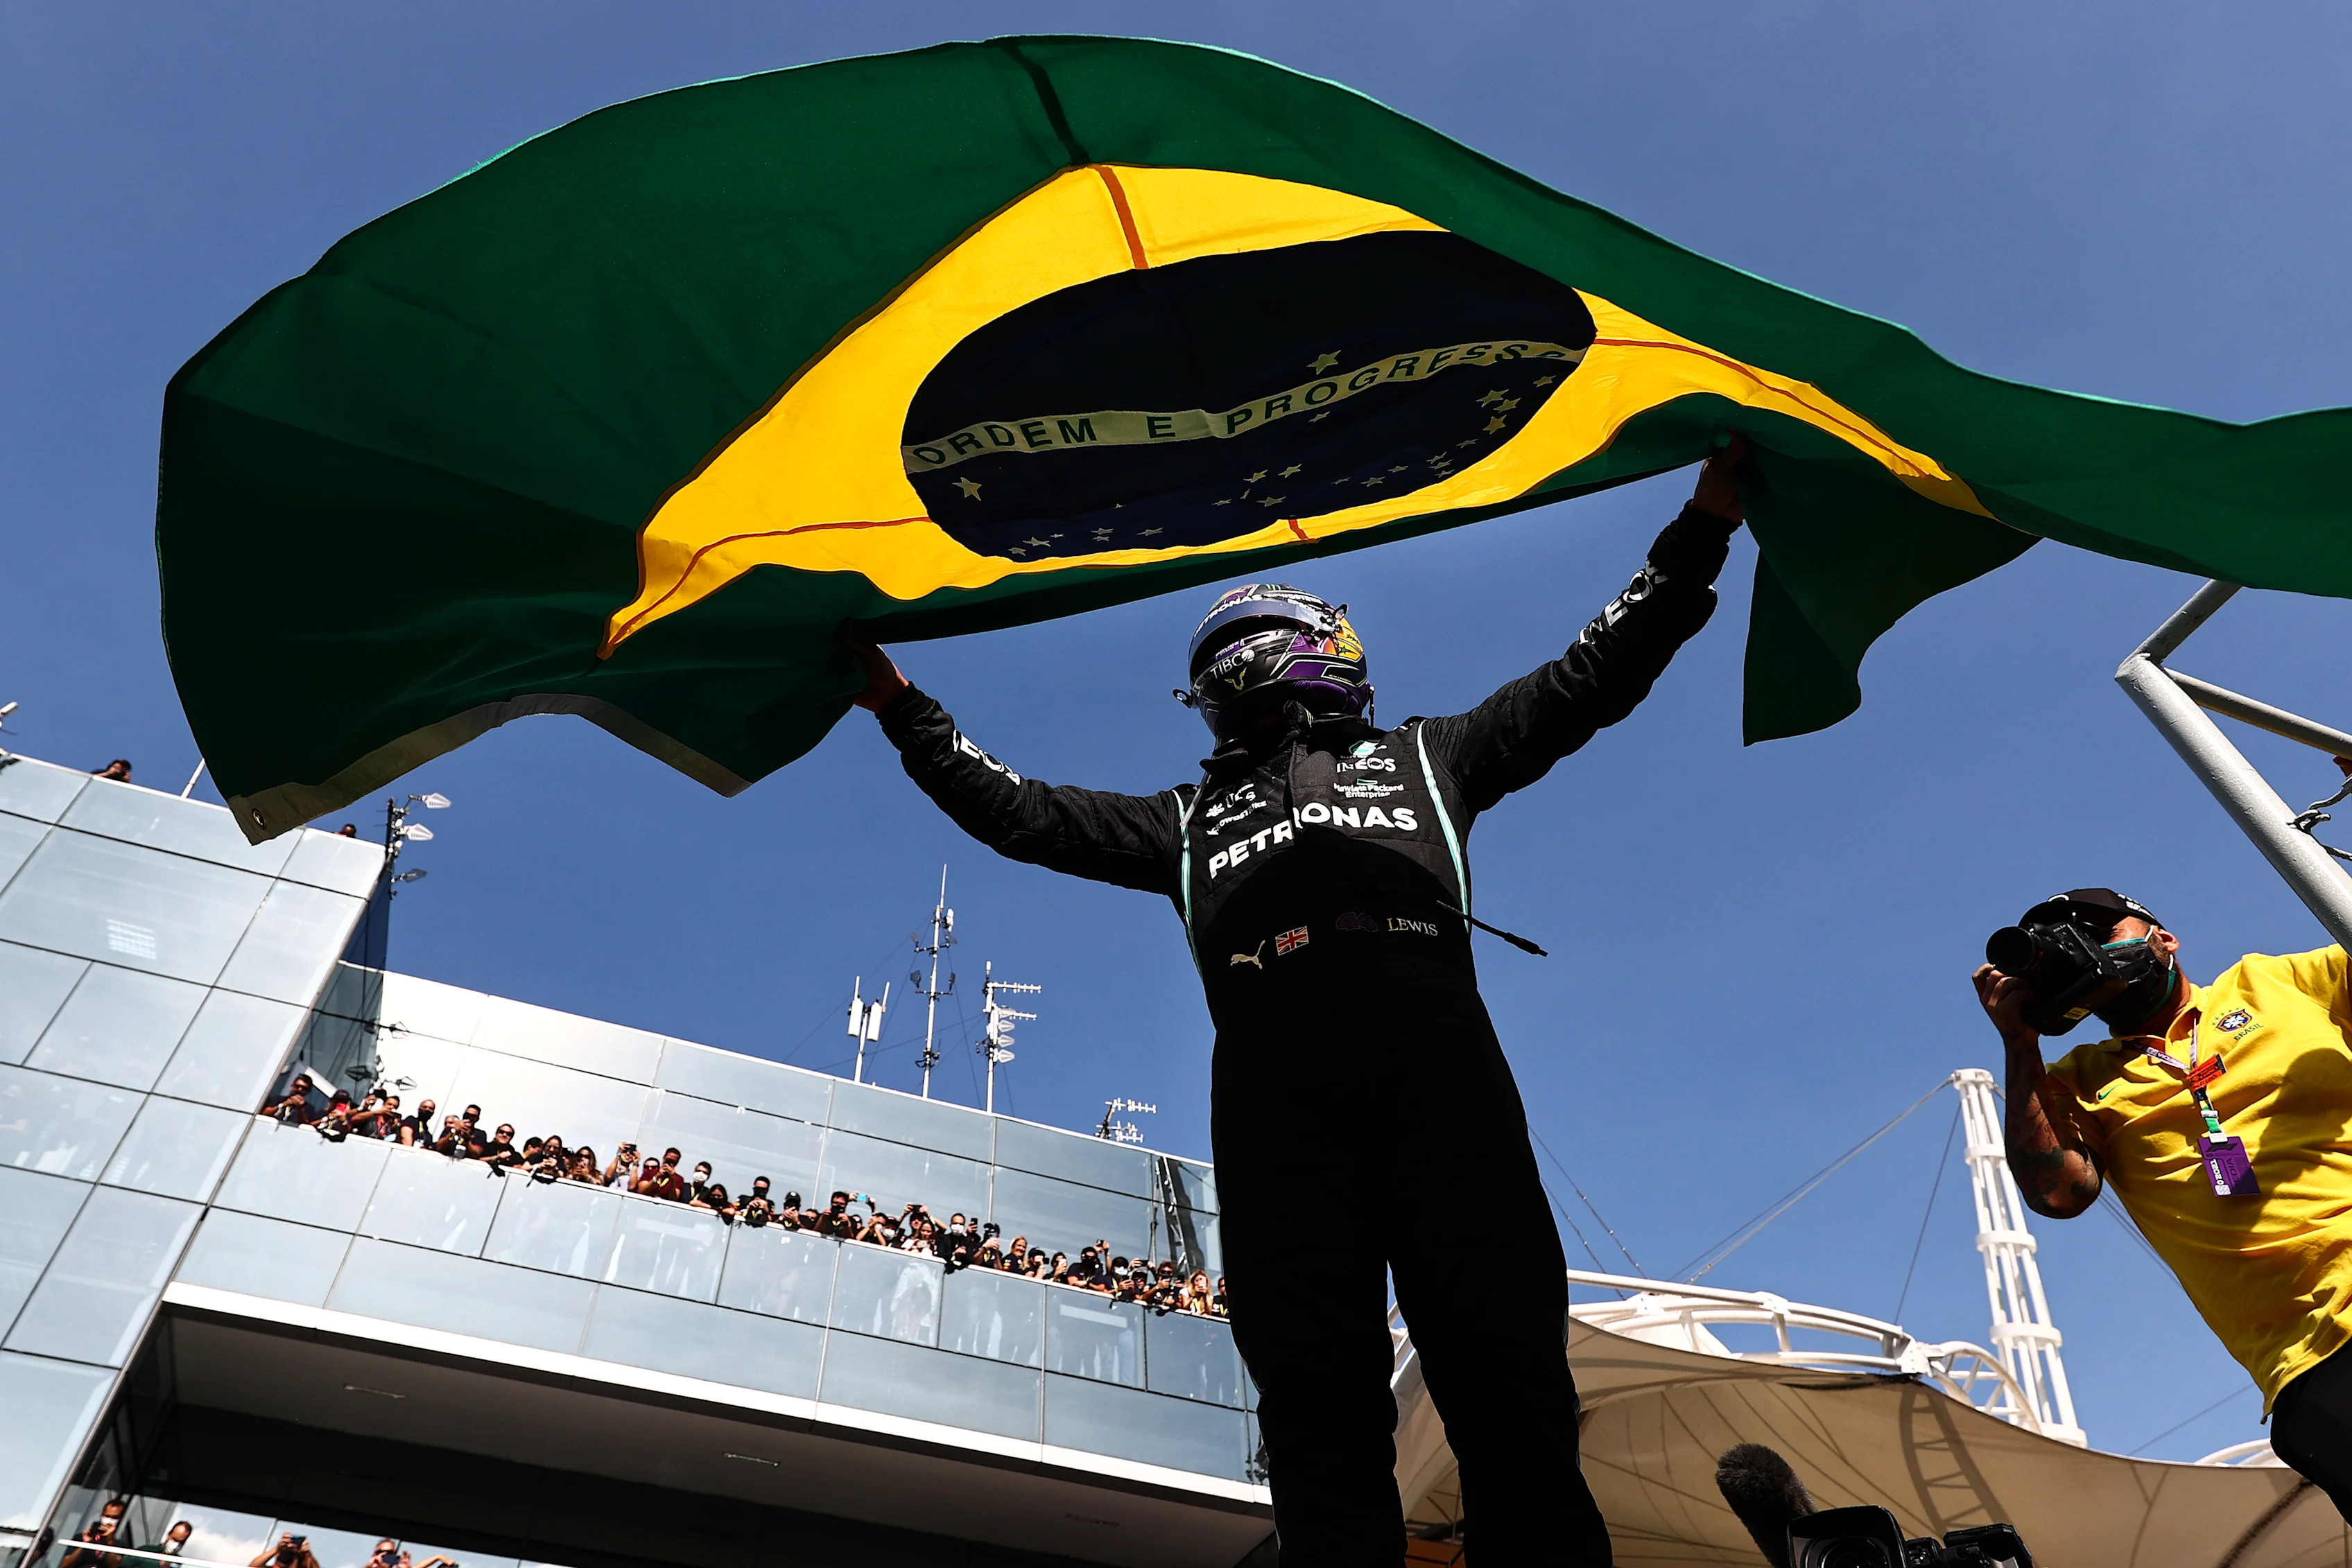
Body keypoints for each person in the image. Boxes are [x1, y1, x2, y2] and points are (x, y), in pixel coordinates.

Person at [845, 442, 1745, 1563]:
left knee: (1510, 1397)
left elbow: (1594, 670)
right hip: (1282, 1117)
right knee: (1320, 1432)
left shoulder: (1431, 758)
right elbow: (1016, 810)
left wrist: (1704, 523)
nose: (1239, 666)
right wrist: (896, 701)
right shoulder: (1181, 821)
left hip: (1436, 1083)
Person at [1975, 887, 2352, 1517]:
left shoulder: (2278, 980)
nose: (2088, 948)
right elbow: (2059, 1193)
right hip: (2311, 1359)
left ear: (2165, 938)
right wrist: (2021, 1046)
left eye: (2099, 929)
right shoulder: (2075, 1082)